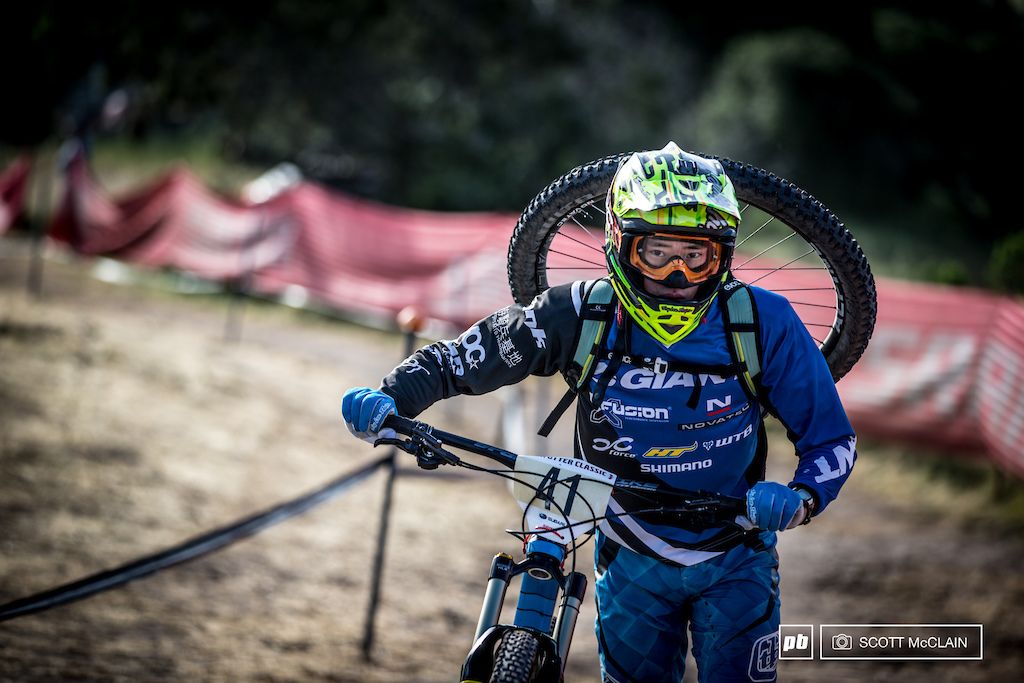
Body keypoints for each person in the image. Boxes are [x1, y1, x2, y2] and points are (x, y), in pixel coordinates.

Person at [342, 142, 857, 682]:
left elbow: (831, 440)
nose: (677, 275)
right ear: (619, 241)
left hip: (736, 552)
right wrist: (394, 396)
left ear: (722, 255)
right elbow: (465, 357)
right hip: (628, 547)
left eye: (696, 255)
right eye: (656, 253)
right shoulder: (580, 311)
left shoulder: (763, 322)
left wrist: (801, 498)